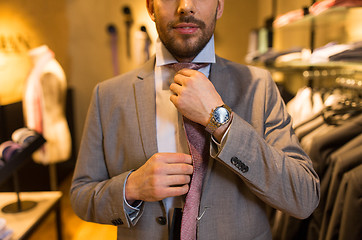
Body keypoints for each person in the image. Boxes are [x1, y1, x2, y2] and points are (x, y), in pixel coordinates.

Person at [70, 0, 320, 239]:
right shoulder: (108, 95)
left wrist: (220, 120)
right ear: (150, 7)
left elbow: (303, 197)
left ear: (219, 5)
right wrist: (131, 187)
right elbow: (81, 195)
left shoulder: (260, 87)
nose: (185, 6)